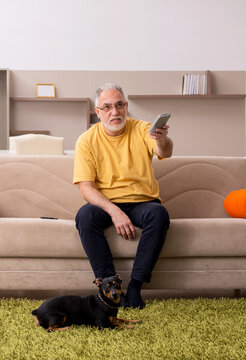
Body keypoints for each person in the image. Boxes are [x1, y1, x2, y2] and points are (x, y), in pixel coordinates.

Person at [73, 83, 173, 309]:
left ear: (126, 107)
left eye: (119, 105)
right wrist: (114, 211)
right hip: (106, 205)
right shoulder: (86, 140)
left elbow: (164, 151)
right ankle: (110, 286)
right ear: (97, 112)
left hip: (142, 203)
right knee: (85, 216)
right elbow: (86, 188)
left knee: (159, 214)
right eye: (107, 107)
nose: (114, 112)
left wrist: (161, 139)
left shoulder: (142, 129)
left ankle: (136, 287)